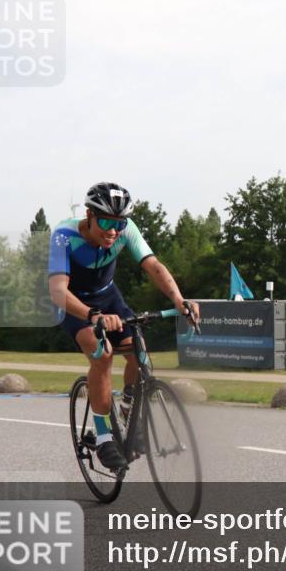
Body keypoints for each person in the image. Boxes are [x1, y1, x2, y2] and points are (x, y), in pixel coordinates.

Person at [48, 182, 200, 470]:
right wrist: (93, 315)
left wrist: (180, 300)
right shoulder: (64, 236)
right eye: (105, 221)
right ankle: (104, 437)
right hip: (74, 303)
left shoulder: (125, 230)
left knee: (139, 352)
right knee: (102, 353)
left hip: (108, 296)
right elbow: (57, 291)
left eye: (119, 223)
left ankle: (128, 408)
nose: (113, 231)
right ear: (89, 214)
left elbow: (153, 265)